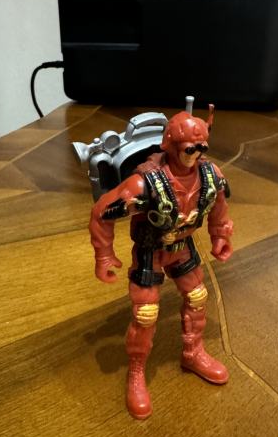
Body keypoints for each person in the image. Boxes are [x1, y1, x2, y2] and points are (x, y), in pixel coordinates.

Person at [89, 100, 234, 419]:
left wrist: (220, 235)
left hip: (182, 246)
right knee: (146, 314)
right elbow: (102, 212)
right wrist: (104, 254)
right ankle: (136, 372)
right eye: (189, 149)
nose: (195, 155)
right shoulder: (145, 184)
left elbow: (218, 204)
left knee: (198, 297)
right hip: (150, 250)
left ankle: (193, 352)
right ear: (171, 146)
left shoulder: (210, 175)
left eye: (201, 148)